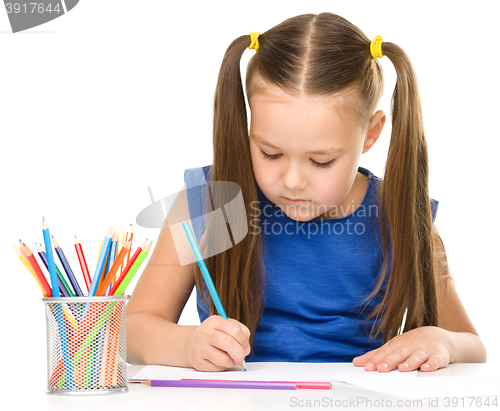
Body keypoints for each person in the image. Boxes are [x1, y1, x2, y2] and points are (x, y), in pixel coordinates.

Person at [126, 12, 486, 373]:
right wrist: (187, 345)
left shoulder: (399, 213)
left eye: (322, 160)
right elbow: (132, 329)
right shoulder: (207, 204)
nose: (293, 180)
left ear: (371, 134)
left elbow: (471, 345)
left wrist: (443, 341)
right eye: (270, 153)